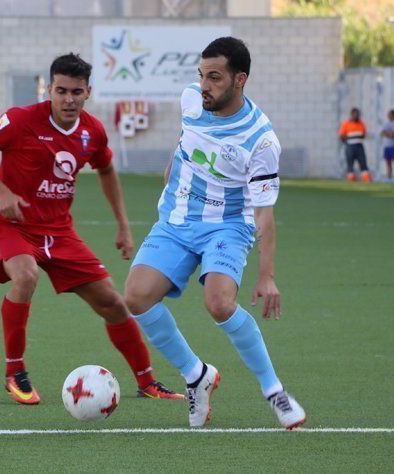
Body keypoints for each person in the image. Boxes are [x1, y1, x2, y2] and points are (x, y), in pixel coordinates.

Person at [0, 53, 182, 405]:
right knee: (25, 277)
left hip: (61, 233)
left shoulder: (92, 130)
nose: (68, 99)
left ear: (87, 92)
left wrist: (123, 226)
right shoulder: (20, 120)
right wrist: (2, 192)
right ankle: (14, 372)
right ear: (49, 89)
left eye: (76, 92)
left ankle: (147, 382)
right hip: (13, 226)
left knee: (113, 303)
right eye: (61, 90)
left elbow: (107, 169)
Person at [123, 37, 307, 429]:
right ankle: (196, 375)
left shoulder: (261, 140)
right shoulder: (191, 100)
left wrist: (267, 276)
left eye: (215, 77)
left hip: (228, 225)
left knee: (220, 303)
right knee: (136, 297)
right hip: (176, 220)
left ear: (240, 79)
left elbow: (265, 214)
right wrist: (173, 170)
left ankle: (274, 390)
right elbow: (185, 142)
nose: (205, 85)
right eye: (202, 75)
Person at [339, 108, 371, 182]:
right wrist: (347, 142)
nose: (356, 116)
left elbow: (363, 134)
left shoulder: (361, 123)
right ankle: (351, 177)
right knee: (350, 162)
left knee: (363, 162)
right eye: (355, 114)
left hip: (359, 146)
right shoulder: (346, 124)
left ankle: (366, 177)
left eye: (358, 115)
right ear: (352, 115)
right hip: (350, 146)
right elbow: (342, 136)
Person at [380, 109, 394, 182]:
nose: (388, 116)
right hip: (387, 146)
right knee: (388, 162)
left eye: (389, 114)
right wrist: (388, 134)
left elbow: (393, 134)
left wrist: (387, 134)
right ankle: (389, 178)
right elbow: (381, 133)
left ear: (393, 115)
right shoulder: (387, 123)